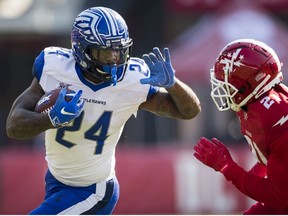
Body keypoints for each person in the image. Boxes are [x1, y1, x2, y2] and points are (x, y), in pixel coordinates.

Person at [6, 6, 201, 215]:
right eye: (106, 53)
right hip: (56, 180)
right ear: (82, 50)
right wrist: (50, 120)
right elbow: (13, 126)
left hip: (94, 191)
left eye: (119, 51)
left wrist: (173, 84)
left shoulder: (133, 80)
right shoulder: (55, 67)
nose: (115, 60)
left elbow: (189, 111)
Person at [193, 38, 288, 214]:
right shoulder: (254, 105)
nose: (223, 88)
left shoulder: (275, 119)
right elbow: (271, 160)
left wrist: (227, 167)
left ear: (247, 83)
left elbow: (278, 197)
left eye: (228, 83)